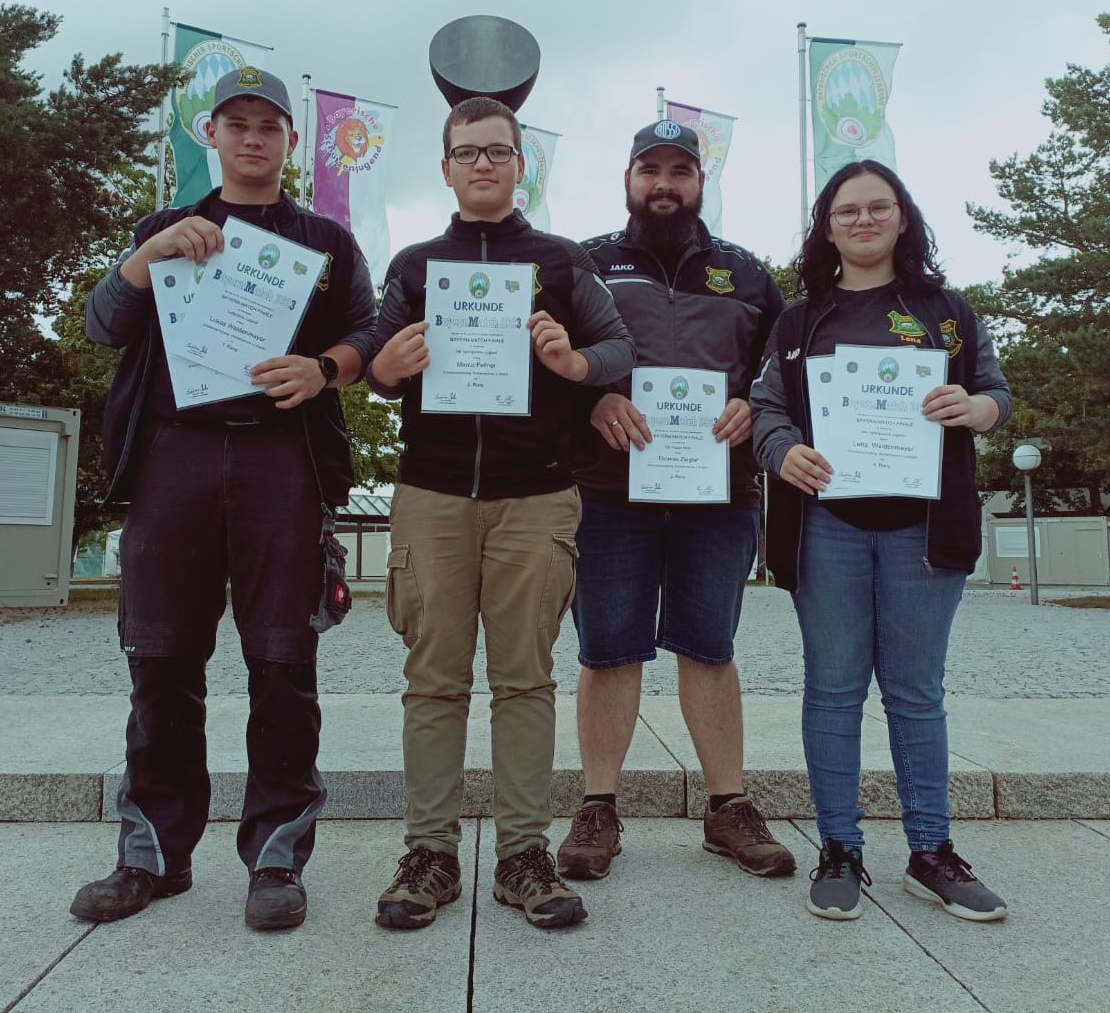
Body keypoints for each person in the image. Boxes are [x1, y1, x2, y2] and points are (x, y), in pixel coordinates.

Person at [71, 67, 377, 932]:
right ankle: (152, 857)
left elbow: (367, 335)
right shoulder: (166, 227)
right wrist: (144, 258)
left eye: (268, 126)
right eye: (235, 123)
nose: (252, 139)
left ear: (289, 140)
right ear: (211, 134)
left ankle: (276, 856)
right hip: (176, 458)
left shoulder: (325, 242)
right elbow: (102, 326)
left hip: (283, 461)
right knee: (161, 658)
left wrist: (323, 369)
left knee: (283, 661)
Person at [368, 96, 635, 931]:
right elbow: (374, 367)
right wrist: (392, 360)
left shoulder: (560, 261)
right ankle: (430, 854)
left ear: (523, 165)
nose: (482, 163)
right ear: (445, 166)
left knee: (525, 680)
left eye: (498, 151)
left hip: (536, 497)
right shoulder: (415, 265)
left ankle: (523, 853)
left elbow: (620, 348)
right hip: (432, 496)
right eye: (466, 151)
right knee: (433, 683)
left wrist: (573, 359)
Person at [750, 160, 1012, 922]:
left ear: (902, 218)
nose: (861, 221)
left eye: (877, 207)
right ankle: (839, 849)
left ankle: (931, 853)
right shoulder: (799, 322)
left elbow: (996, 393)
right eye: (845, 211)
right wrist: (782, 449)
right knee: (831, 692)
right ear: (826, 227)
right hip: (826, 527)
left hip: (923, 533)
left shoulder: (948, 313)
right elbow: (765, 409)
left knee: (915, 695)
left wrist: (975, 407)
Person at [555, 120, 794, 885]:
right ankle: (597, 806)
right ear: (627, 179)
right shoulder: (585, 264)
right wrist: (589, 406)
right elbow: (543, 368)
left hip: (717, 492)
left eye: (679, 171)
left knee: (709, 647)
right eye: (649, 170)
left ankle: (728, 807)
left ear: (700, 182)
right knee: (608, 650)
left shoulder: (747, 274)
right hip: (607, 490)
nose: (664, 184)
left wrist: (756, 410)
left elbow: (781, 373)